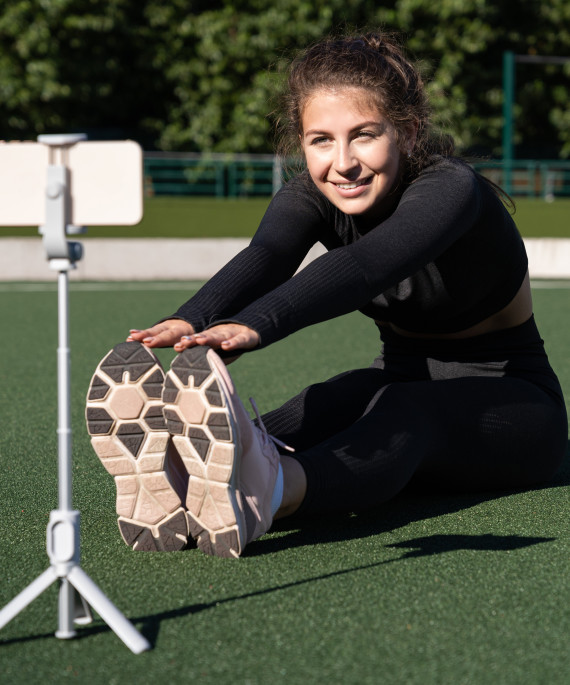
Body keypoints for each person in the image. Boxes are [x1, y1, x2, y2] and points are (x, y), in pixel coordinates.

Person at [86, 31, 567, 559]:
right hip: (398, 376)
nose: (343, 163)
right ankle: (184, 473)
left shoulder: (451, 190)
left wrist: (257, 324)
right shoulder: (312, 195)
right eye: (321, 140)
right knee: (336, 396)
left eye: (363, 135)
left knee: (405, 411)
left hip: (519, 410)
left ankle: (268, 492)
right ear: (302, 143)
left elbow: (367, 264)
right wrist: (190, 317)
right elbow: (267, 255)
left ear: (405, 133)